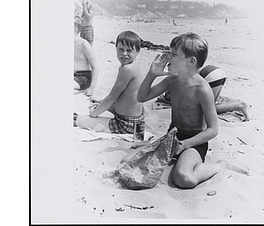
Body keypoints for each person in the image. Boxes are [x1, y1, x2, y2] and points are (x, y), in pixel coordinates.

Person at [137, 32, 249, 189]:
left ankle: (220, 165)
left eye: (174, 55)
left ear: (191, 61)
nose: (168, 58)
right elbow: (142, 97)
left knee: (184, 178)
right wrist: (151, 74)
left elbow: (213, 129)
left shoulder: (202, 89)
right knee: (133, 162)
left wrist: (186, 144)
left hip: (195, 141)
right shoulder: (172, 80)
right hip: (173, 136)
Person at [74, 31, 145, 136]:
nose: (124, 54)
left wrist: (94, 113)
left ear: (137, 52)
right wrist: (101, 104)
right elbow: (122, 96)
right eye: (121, 49)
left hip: (127, 124)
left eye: (129, 50)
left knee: (79, 120)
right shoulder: (131, 66)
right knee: (99, 105)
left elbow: (112, 97)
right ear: (116, 48)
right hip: (137, 119)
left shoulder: (127, 69)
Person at [158, 64, 250, 121]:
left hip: (210, 76)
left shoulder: (175, 76)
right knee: (211, 103)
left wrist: (167, 97)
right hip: (216, 71)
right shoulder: (182, 67)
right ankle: (239, 105)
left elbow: (176, 95)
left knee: (209, 108)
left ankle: (239, 106)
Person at [74, 16, 99, 96]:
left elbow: (95, 67)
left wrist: (92, 88)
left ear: (74, 29)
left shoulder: (83, 44)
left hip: (83, 76)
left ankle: (78, 91)